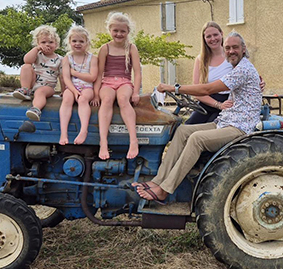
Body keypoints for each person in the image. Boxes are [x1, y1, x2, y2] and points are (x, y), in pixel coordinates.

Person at [135, 32, 261, 202]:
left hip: (239, 127)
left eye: (235, 47)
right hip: (226, 121)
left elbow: (206, 90)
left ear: (243, 49)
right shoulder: (237, 68)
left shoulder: (243, 69)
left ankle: (165, 189)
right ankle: (157, 180)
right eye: (228, 48)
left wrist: (174, 88)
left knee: (197, 139)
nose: (231, 51)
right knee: (182, 131)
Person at [185, 22, 266, 124]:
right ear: (204, 39)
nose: (213, 39)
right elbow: (197, 90)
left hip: (228, 102)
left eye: (215, 35)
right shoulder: (200, 59)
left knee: (212, 127)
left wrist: (260, 83)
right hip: (208, 101)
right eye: (208, 36)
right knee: (187, 126)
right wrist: (217, 104)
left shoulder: (231, 56)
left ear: (221, 34)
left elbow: (247, 74)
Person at [95, 12, 142, 160]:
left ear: (128, 31)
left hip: (124, 81)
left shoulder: (132, 48)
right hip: (107, 81)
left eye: (123, 31)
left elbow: (138, 72)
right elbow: (99, 73)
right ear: (110, 30)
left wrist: (135, 92)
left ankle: (133, 140)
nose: (119, 34)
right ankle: (103, 141)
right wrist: (96, 93)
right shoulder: (105, 48)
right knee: (107, 99)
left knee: (123, 99)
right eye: (116, 30)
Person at [13, 25, 63, 124]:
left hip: (47, 87)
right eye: (43, 42)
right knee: (26, 66)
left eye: (51, 42)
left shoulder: (60, 59)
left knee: (40, 92)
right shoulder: (37, 55)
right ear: (38, 43)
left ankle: (36, 109)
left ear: (56, 44)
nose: (47, 44)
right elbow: (26, 60)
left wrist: (64, 91)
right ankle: (25, 90)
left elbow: (62, 76)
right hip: (33, 83)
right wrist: (36, 49)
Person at [58, 25, 99, 145]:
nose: (78, 43)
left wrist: (75, 73)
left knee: (83, 100)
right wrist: (74, 91)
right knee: (66, 99)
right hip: (71, 86)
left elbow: (92, 77)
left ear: (87, 43)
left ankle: (83, 130)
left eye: (81, 41)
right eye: (74, 41)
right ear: (69, 42)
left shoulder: (92, 58)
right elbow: (66, 78)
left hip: (87, 86)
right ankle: (63, 133)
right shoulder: (67, 58)